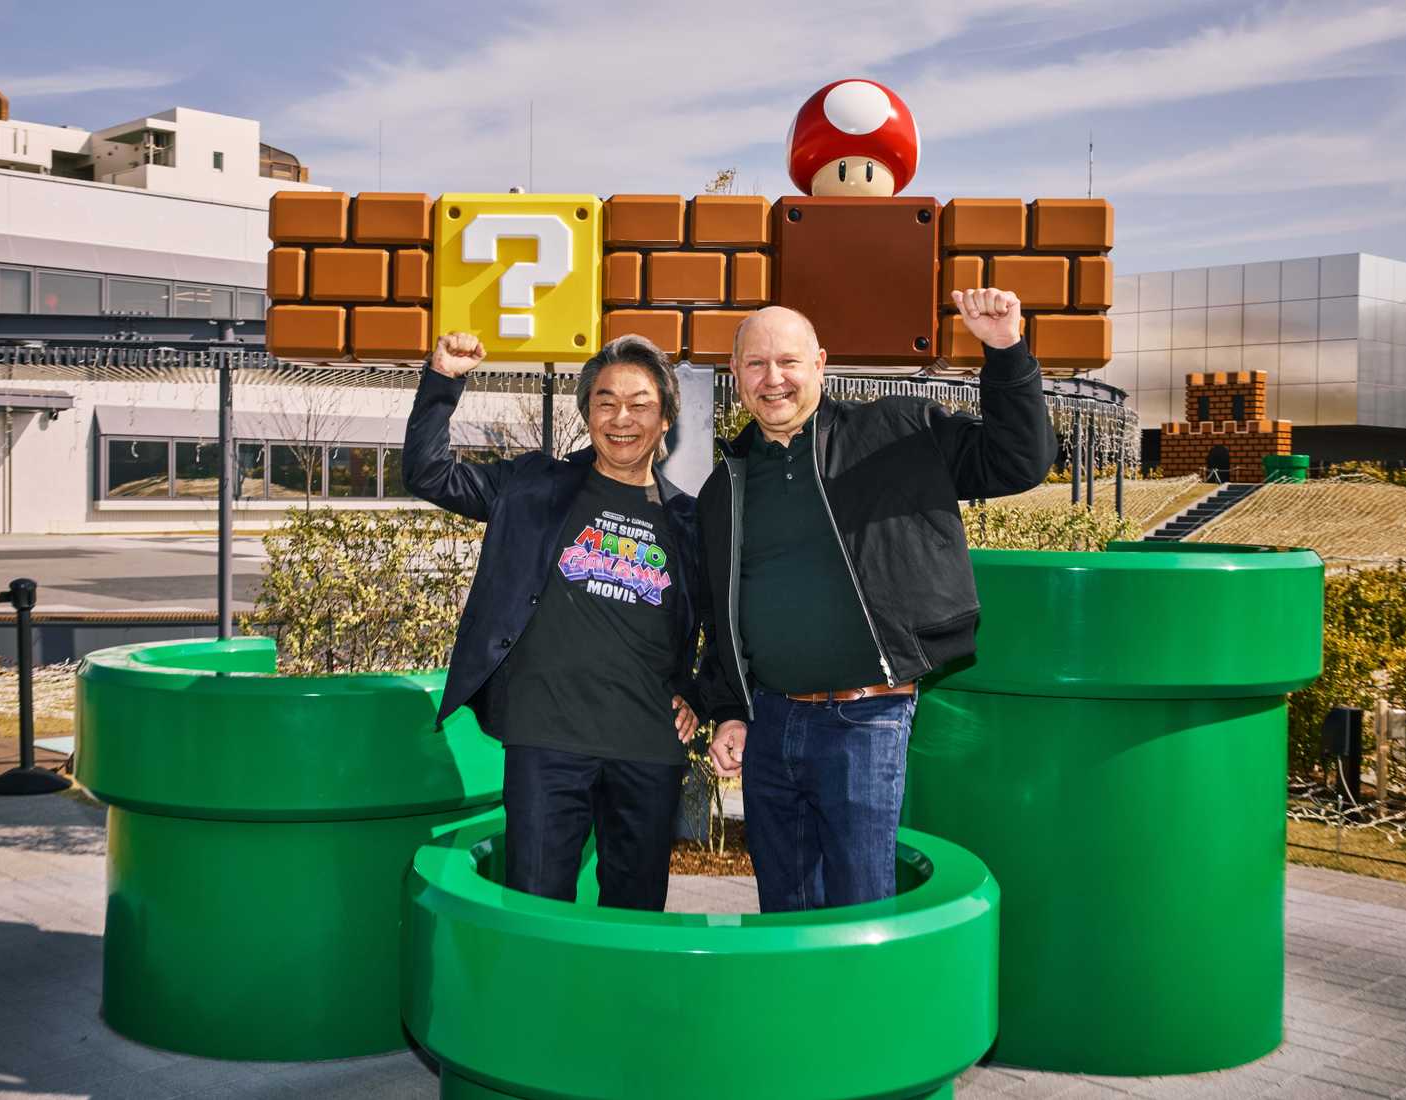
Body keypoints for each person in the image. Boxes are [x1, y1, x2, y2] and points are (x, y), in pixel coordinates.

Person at [696, 290, 1057, 912]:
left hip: (866, 720)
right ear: (736, 374)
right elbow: (721, 610)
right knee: (785, 912)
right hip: (771, 723)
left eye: (788, 361)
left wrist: (1004, 350)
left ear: (820, 364)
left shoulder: (897, 432)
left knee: (860, 911)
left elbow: (1020, 461)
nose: (773, 378)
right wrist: (730, 710)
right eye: (755, 364)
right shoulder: (725, 483)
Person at [403, 331, 703, 911]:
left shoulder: (689, 521)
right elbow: (428, 473)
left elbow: (722, 619)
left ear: (665, 418)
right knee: (536, 912)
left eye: (639, 404)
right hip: (546, 744)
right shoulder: (532, 486)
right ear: (587, 414)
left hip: (649, 748)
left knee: (636, 919)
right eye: (605, 402)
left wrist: (699, 693)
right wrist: (443, 380)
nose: (621, 418)